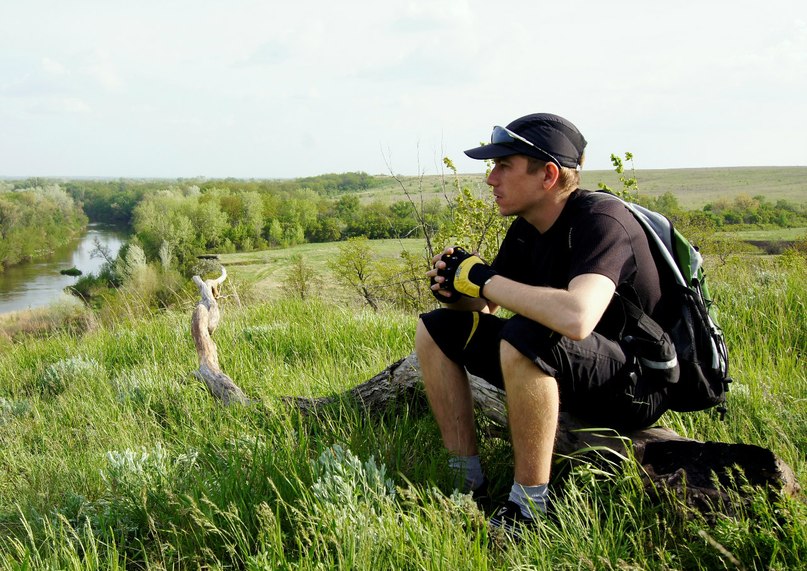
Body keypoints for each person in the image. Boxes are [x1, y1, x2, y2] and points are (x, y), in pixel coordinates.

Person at [415, 113, 670, 533]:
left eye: (503, 166)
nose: (490, 179)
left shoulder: (602, 220)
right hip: (573, 367)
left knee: (524, 336)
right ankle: (466, 482)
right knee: (437, 328)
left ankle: (529, 507)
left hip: (636, 384)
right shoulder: (526, 229)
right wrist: (456, 293)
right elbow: (487, 310)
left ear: (548, 174)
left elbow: (577, 316)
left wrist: (482, 278)